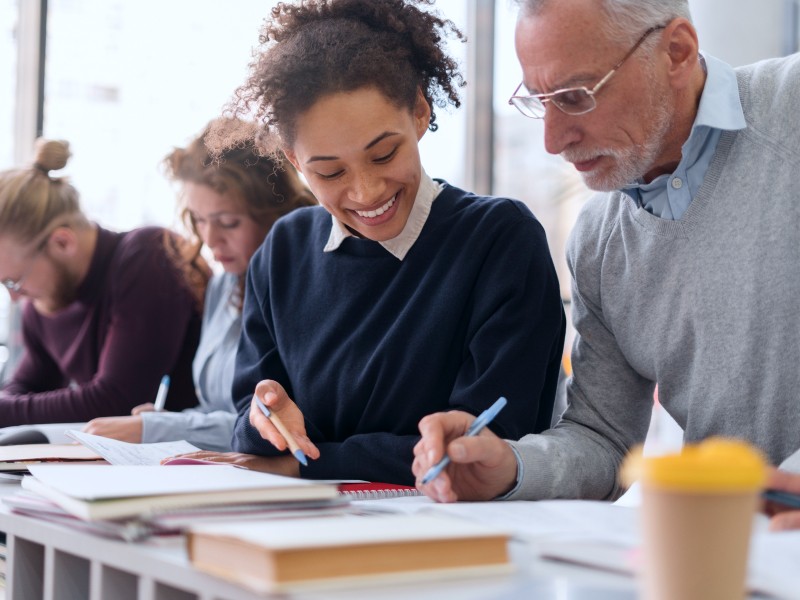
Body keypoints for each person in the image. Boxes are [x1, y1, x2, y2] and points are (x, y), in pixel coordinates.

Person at [413, 0, 800, 502]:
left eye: (575, 96)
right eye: (540, 101)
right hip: (727, 549)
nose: (553, 141)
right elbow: (605, 438)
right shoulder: (598, 243)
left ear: (677, 52)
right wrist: (511, 467)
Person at [179, 0, 565, 485]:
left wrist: (305, 465)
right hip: (298, 525)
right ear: (296, 164)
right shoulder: (284, 251)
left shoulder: (499, 240)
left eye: (384, 154)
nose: (366, 192)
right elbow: (249, 422)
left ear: (421, 113)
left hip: (455, 533)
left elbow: (482, 446)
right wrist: (266, 418)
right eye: (330, 171)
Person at [83, 119, 315, 450]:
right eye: (199, 220)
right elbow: (218, 411)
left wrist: (162, 427)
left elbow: (280, 423)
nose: (210, 239)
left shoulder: (304, 290)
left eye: (228, 223)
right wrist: (167, 422)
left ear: (274, 215)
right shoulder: (222, 288)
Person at [0, 139, 208, 425]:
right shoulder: (43, 301)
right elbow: (22, 391)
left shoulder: (149, 256)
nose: (14, 297)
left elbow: (117, 400)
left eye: (13, 281)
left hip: (204, 455)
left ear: (62, 243)